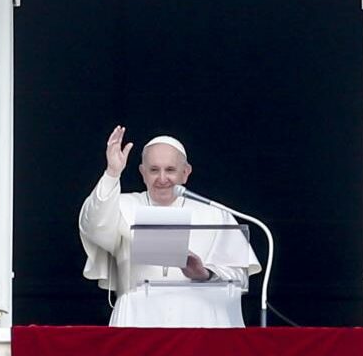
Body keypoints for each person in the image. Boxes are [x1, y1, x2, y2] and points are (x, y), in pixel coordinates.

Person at [79, 125, 261, 327]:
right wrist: (112, 173)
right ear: (142, 172)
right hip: (138, 319)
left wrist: (205, 273)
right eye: (154, 170)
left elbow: (239, 278)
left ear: (185, 172)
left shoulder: (215, 213)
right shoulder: (122, 205)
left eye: (171, 170)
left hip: (200, 321)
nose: (162, 179)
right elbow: (93, 225)